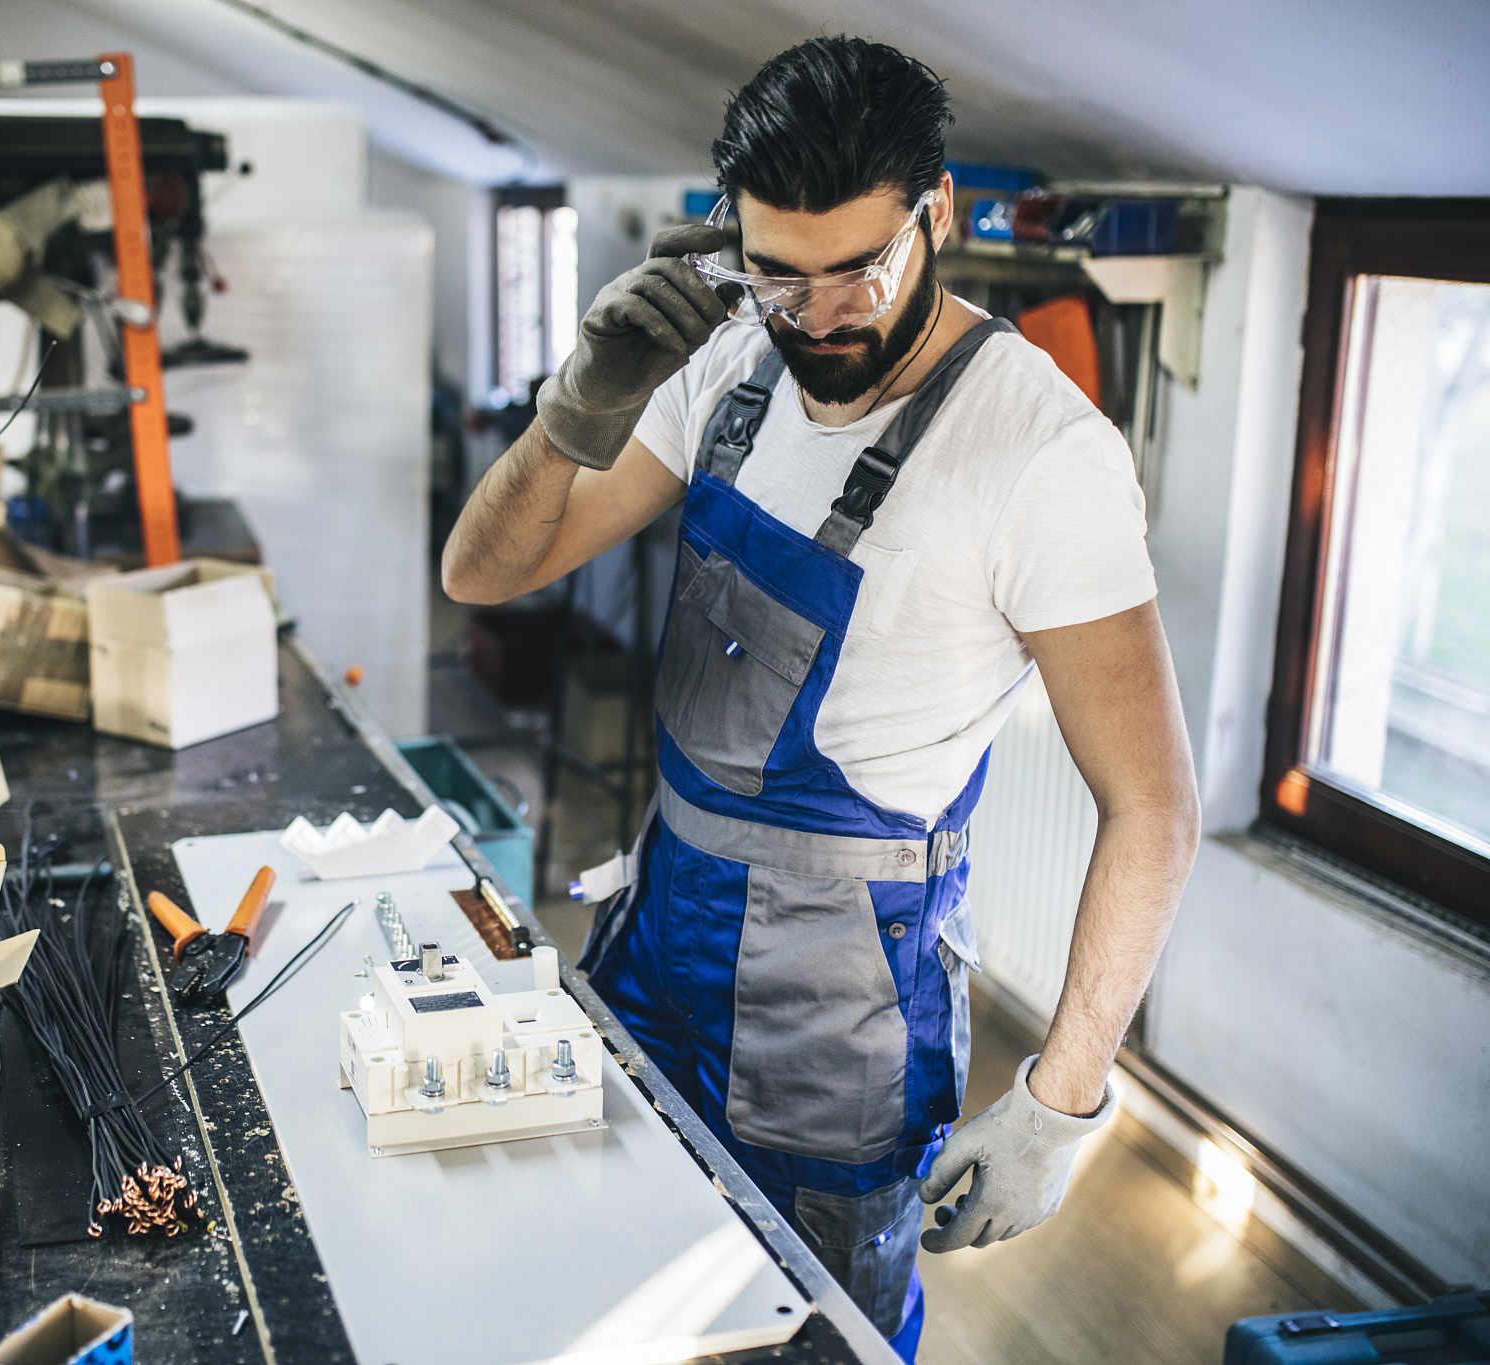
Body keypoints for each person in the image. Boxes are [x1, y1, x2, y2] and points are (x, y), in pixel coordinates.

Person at [441, 36, 1201, 1361]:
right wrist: (579, 409)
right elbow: (483, 573)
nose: (821, 315)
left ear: (938, 214)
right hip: (659, 931)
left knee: (810, 1337)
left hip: (837, 1013)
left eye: (862, 269)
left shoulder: (1040, 455)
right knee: (622, 1289)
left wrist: (1064, 1094)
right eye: (779, 273)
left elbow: (1155, 805)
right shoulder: (730, 356)